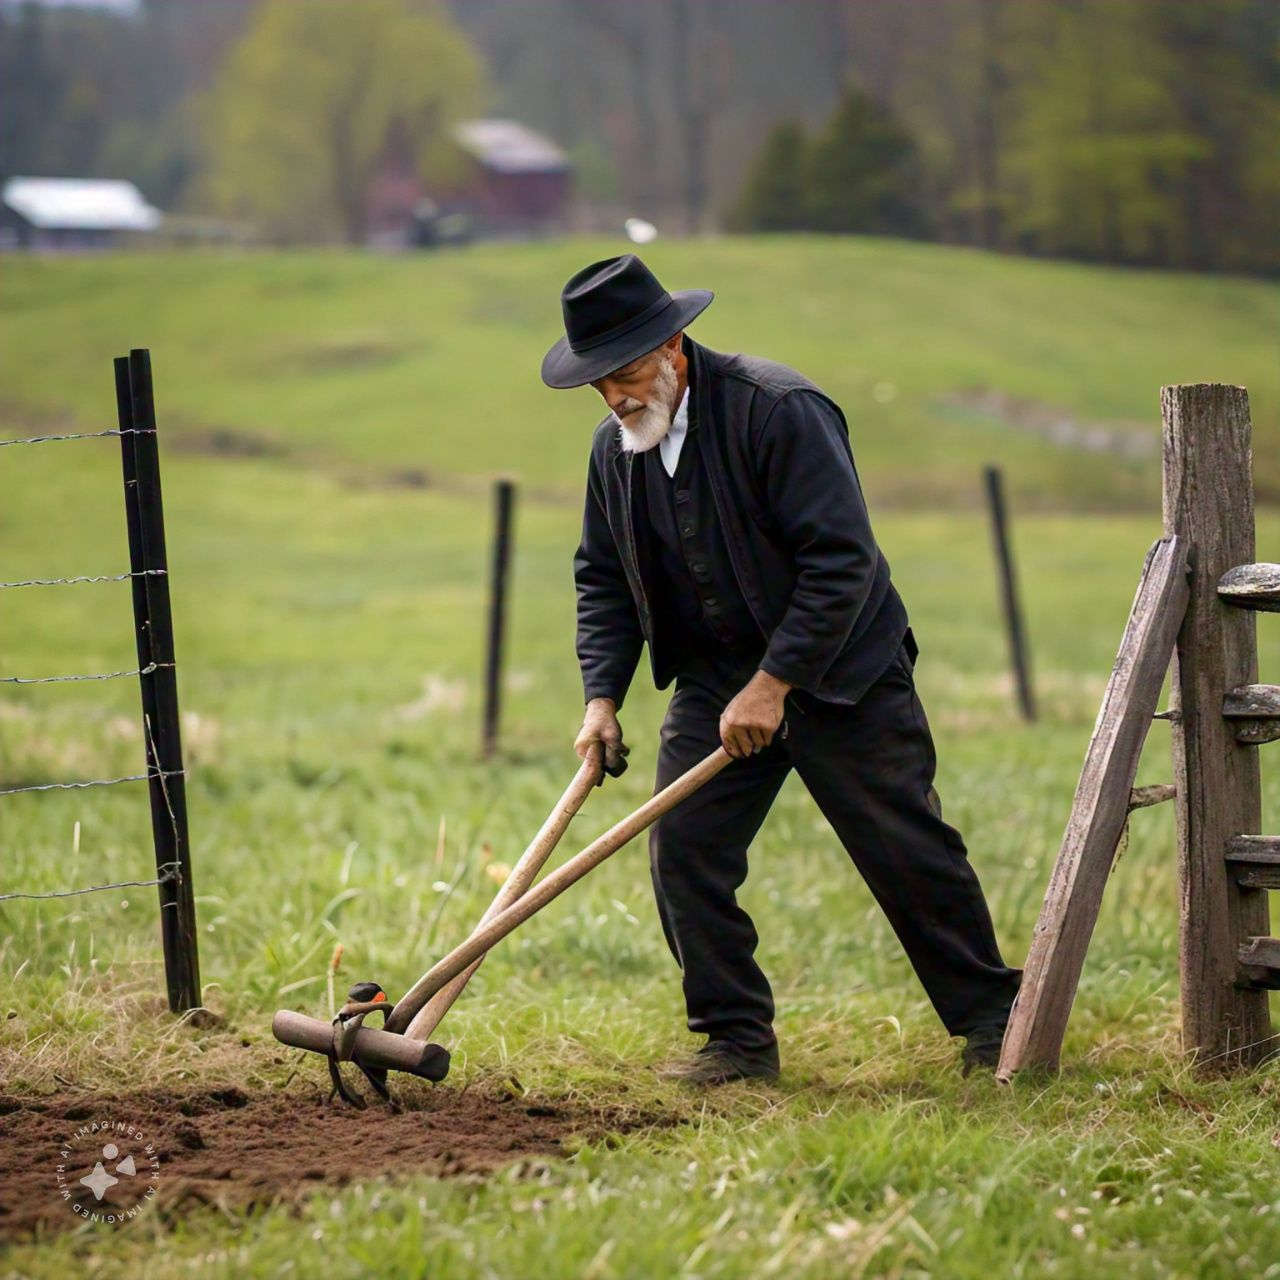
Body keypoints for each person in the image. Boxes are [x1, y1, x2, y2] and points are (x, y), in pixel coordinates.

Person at [542, 253, 1022, 1085]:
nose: (615, 397)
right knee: (685, 852)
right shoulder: (613, 451)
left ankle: (996, 1022)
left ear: (674, 348)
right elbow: (603, 577)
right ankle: (736, 1043)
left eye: (623, 373)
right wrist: (600, 697)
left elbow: (843, 562)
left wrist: (776, 683)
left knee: (905, 849)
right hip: (714, 680)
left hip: (842, 670)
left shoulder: (778, 411)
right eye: (599, 383)